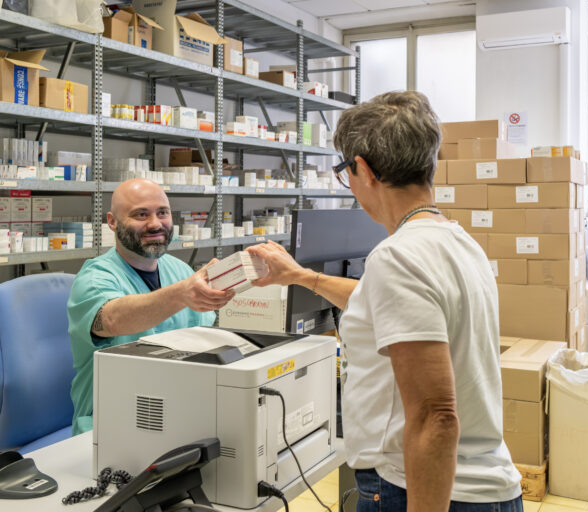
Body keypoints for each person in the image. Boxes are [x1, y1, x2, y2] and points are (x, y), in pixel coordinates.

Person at [248, 91, 522, 511]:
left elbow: (436, 415)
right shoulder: (456, 242)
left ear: (362, 169)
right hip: (482, 485)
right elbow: (389, 305)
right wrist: (302, 277)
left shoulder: (398, 256)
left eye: (345, 172)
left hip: (419, 487)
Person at [67, 178, 234, 435]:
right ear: (112, 221)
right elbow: (111, 319)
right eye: (141, 214)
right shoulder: (95, 276)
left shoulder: (179, 270)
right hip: (112, 422)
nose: (155, 224)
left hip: (177, 411)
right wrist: (182, 294)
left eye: (162, 213)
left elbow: (206, 338)